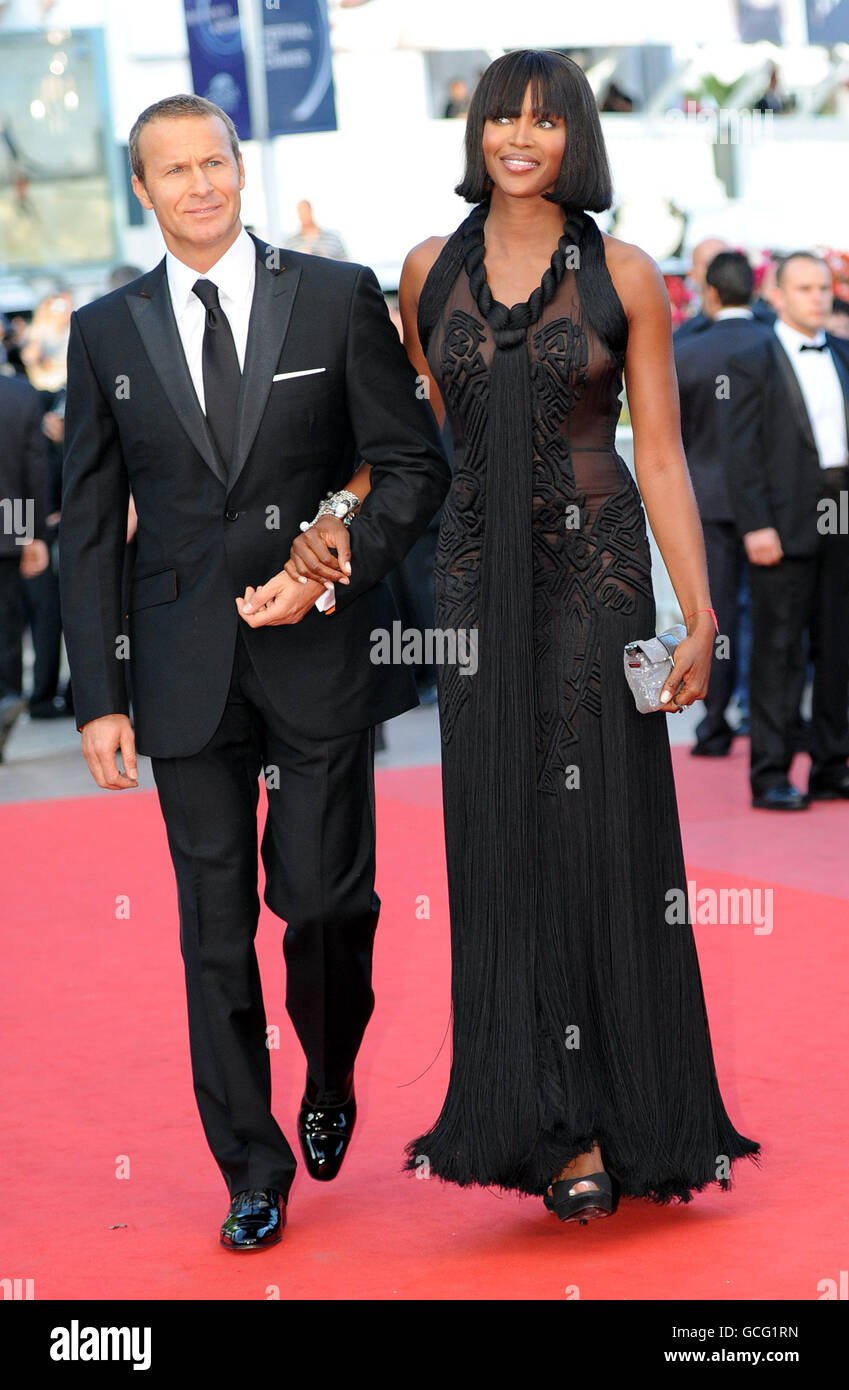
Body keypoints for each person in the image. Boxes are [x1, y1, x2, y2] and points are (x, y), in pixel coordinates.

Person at [297, 49, 761, 1221]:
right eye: (500, 115)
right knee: (502, 841)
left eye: (544, 121)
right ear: (474, 132)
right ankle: (548, 1128)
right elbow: (408, 447)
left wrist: (693, 612)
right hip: (473, 590)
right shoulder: (423, 273)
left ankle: (641, 1112)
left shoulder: (624, 273)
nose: (518, 135)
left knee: (606, 837)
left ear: (575, 139)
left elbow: (658, 453)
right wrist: (335, 521)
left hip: (598, 580)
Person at [59, 93, 450, 1251]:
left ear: (242, 167)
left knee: (327, 904)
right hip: (180, 668)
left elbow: (406, 464)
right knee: (212, 930)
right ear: (142, 189)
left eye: (213, 163)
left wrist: (328, 559)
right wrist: (98, 696)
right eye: (170, 170)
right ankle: (251, 1162)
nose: (197, 185)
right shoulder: (105, 329)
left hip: (321, 646)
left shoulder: (332, 295)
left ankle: (329, 1071)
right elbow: (88, 525)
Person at [725, 252, 849, 809]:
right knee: (777, 653)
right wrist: (755, 525)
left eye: (823, 287)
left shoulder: (844, 352)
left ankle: (831, 766)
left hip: (841, 517)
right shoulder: (750, 359)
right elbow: (740, 453)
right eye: (804, 288)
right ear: (777, 295)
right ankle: (771, 773)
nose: (818, 297)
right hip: (782, 522)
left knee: (838, 651)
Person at [674, 251, 773, 756]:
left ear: (709, 293)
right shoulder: (772, 344)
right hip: (769, 504)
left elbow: (671, 438)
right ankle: (764, 718)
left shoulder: (684, 351)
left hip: (704, 499)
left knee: (714, 614)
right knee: (769, 612)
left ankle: (713, 726)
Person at [0, 369, 51, 758]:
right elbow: (33, 470)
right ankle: (7, 693)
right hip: (8, 521)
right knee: (7, 620)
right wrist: (31, 535)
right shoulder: (19, 395)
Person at [282, 200, 348, 260]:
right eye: (301, 211)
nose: (304, 215)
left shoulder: (333, 238)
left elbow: (347, 264)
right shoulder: (290, 242)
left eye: (306, 211)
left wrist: (328, 262)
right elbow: (286, 268)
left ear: (311, 211)